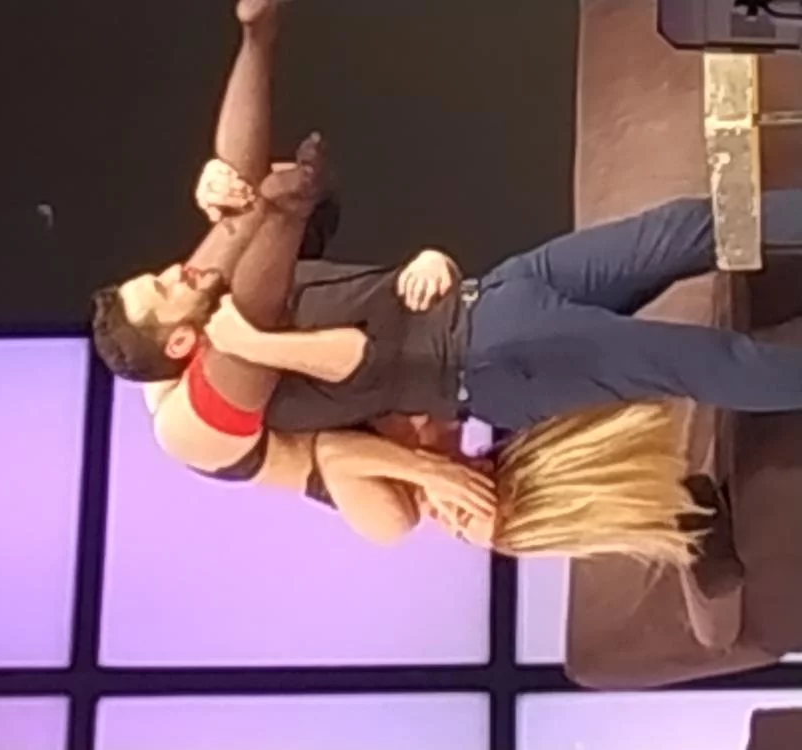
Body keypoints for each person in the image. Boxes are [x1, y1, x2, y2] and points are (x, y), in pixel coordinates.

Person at [91, 0, 716, 564]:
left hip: (229, 386)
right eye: (469, 516)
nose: (455, 512)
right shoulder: (407, 497)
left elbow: (336, 448)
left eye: (460, 520)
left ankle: (260, 39)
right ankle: (273, 171)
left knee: (238, 216)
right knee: (239, 278)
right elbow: (366, 411)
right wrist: (433, 470)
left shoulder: (404, 464)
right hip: (229, 404)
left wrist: (241, 205)